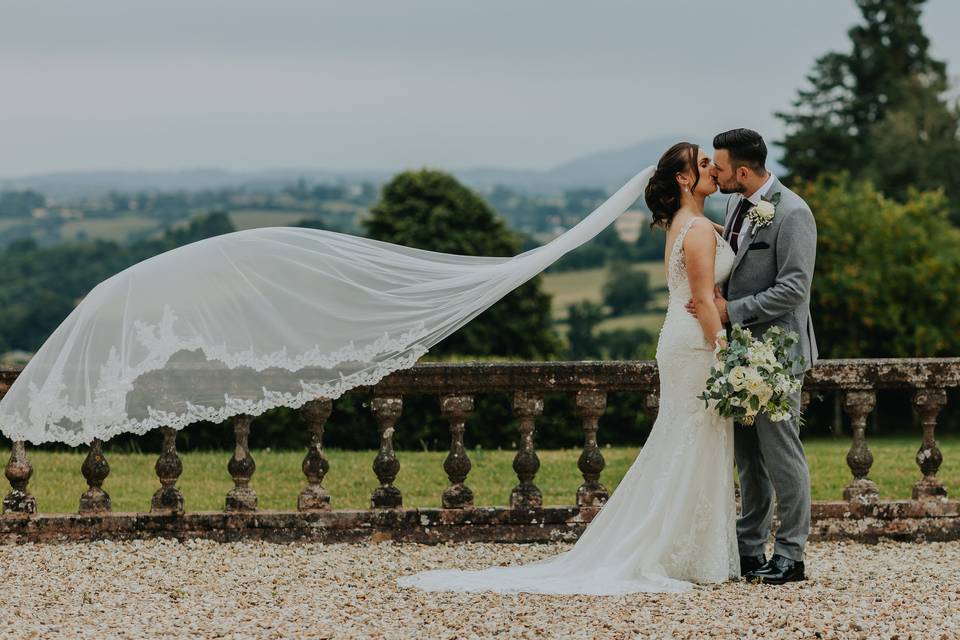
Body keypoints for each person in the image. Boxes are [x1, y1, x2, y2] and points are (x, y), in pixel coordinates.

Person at [397, 141, 741, 594]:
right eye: (702, 165)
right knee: (693, 437)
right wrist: (727, 353)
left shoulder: (688, 223)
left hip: (682, 339)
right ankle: (675, 549)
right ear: (683, 179)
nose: (712, 170)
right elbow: (699, 298)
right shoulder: (695, 229)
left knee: (687, 438)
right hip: (695, 344)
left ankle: (688, 547)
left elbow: (708, 286)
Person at [688, 128, 817, 585]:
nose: (714, 174)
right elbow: (740, 261)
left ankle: (790, 555)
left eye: (719, 168)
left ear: (742, 171)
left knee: (782, 456)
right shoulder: (734, 202)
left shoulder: (794, 213)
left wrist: (730, 310)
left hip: (777, 354)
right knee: (747, 458)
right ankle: (748, 549)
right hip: (739, 354)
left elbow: (794, 288)